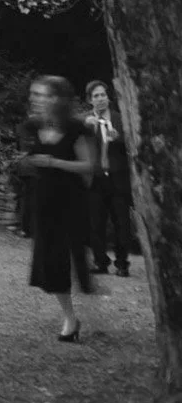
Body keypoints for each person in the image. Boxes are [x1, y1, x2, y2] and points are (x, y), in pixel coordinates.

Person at [22, 76, 96, 341]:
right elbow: (29, 160)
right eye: (34, 94)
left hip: (71, 203)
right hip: (43, 202)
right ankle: (71, 318)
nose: (36, 99)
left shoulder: (77, 129)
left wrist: (54, 162)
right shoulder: (32, 126)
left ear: (59, 98)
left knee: (72, 257)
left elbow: (89, 167)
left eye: (43, 94)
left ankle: (85, 289)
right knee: (51, 263)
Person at [83, 81, 132, 277]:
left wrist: (119, 138)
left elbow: (132, 147)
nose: (100, 99)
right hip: (95, 179)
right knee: (96, 223)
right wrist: (85, 127)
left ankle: (122, 263)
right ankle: (100, 261)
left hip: (117, 178)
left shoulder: (121, 120)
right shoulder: (85, 121)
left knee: (122, 223)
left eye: (103, 95)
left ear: (108, 97)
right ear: (89, 100)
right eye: (96, 96)